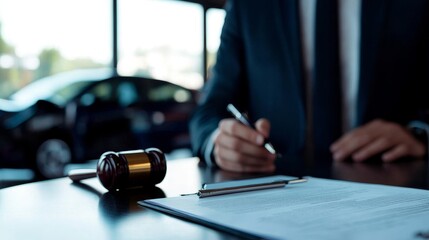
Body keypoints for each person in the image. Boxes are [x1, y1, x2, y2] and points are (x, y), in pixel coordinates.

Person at [190, 0, 429, 173]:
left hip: (391, 189)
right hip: (277, 192)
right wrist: (219, 142)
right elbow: (208, 113)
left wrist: (420, 135)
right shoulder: (249, 7)